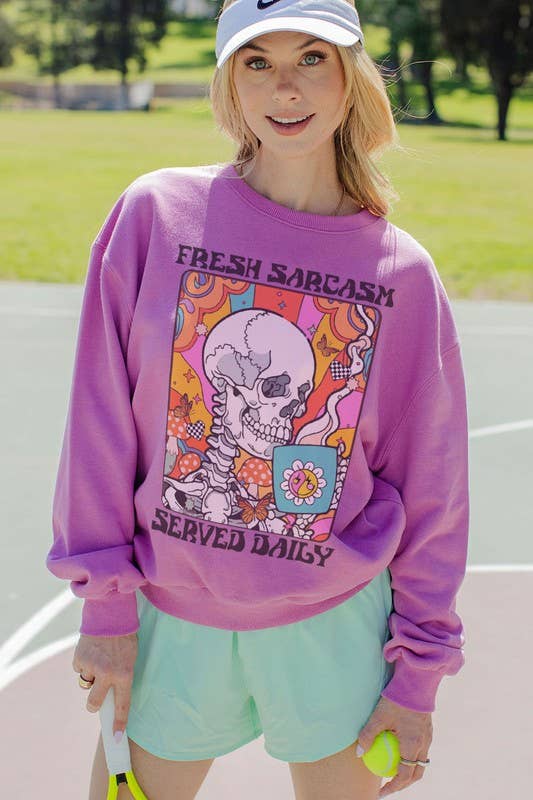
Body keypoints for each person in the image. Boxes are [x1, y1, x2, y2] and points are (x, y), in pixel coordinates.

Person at [46, 1, 469, 798]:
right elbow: (97, 422)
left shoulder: (400, 274)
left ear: (350, 77)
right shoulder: (154, 215)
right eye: (256, 62)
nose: (284, 87)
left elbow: (432, 490)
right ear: (228, 83)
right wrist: (106, 608)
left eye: (310, 58)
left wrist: (416, 676)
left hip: (334, 625)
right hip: (170, 621)